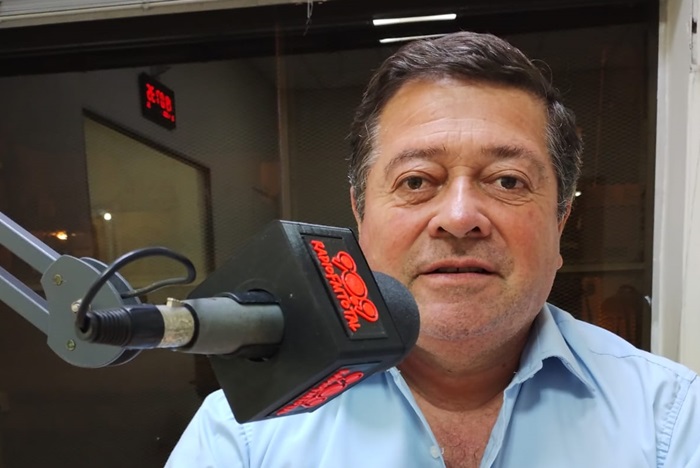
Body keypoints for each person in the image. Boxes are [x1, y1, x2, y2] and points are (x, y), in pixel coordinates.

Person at [165, 31, 700, 467]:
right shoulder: (245, 434)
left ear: (560, 221)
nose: (460, 217)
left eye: (508, 181)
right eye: (417, 181)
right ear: (360, 217)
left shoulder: (671, 421)